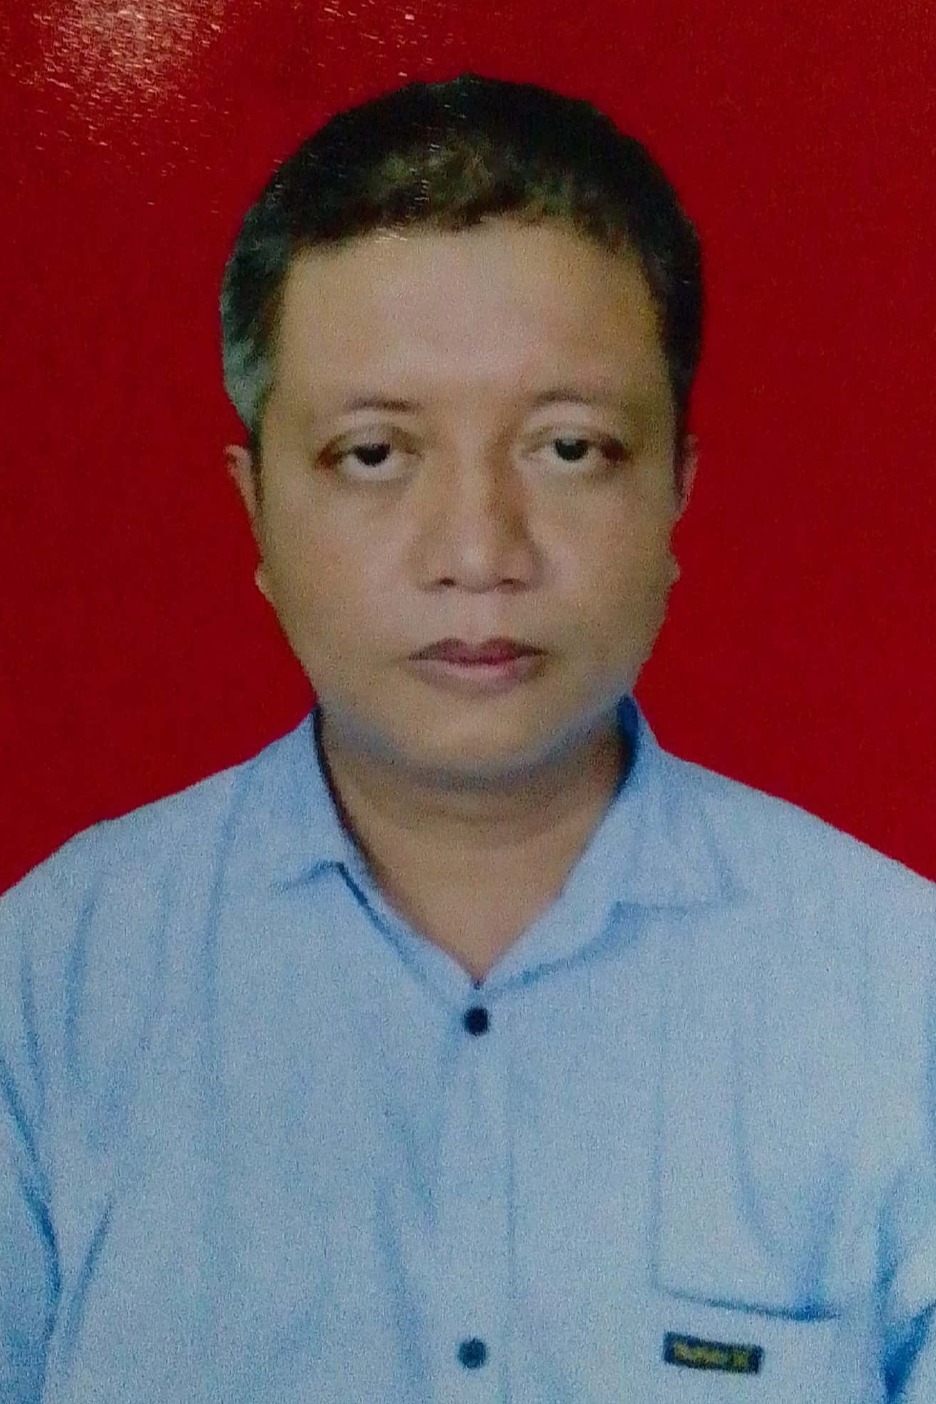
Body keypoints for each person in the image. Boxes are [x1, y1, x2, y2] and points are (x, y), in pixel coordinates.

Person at [1, 72, 934, 1403]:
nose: (479, 551)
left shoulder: (896, 992)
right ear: (254, 505)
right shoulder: (50, 989)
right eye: (375, 455)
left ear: (677, 488)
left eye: (570, 449)